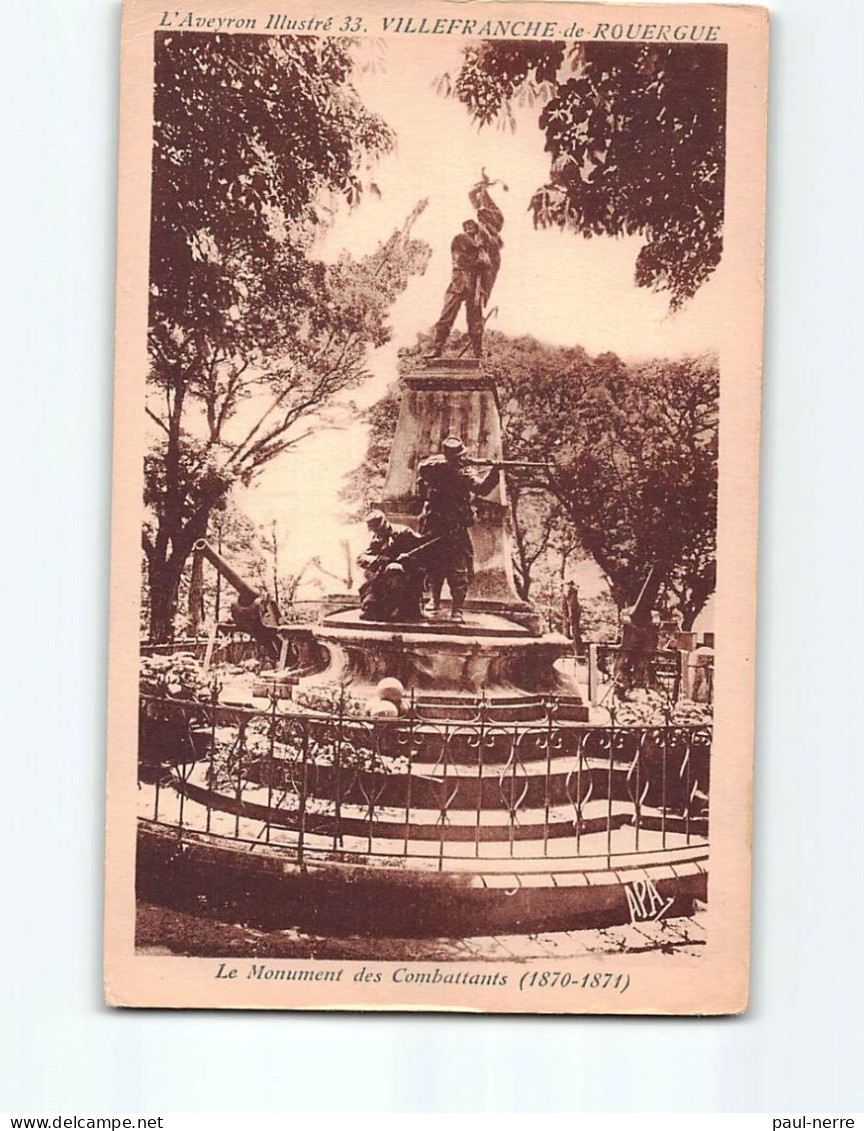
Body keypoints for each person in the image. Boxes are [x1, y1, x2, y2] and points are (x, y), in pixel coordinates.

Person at [416, 437, 501, 623]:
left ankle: (457, 609)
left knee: (458, 570)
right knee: (433, 567)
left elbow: (482, 488)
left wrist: (494, 471)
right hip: (434, 527)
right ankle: (434, 600)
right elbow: (423, 468)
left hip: (455, 529)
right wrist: (451, 466)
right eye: (458, 457)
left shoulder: (465, 471)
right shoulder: (434, 467)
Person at [357, 510, 429, 623]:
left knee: (394, 569)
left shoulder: (404, 533)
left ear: (385, 523)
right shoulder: (377, 539)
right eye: (374, 530)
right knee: (370, 609)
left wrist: (408, 560)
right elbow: (361, 558)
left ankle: (402, 608)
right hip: (382, 584)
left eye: (378, 529)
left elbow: (424, 555)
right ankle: (385, 608)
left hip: (406, 581)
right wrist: (376, 560)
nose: (377, 533)